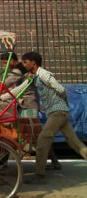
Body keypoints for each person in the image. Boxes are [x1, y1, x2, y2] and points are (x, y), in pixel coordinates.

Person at [21, 51, 87, 183]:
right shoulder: (33, 77)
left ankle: (40, 176)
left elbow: (61, 89)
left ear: (33, 62)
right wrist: (0, 96)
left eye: (26, 62)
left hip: (58, 112)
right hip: (58, 112)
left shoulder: (44, 74)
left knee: (42, 141)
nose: (24, 64)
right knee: (75, 143)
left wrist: (63, 105)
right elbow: (20, 89)